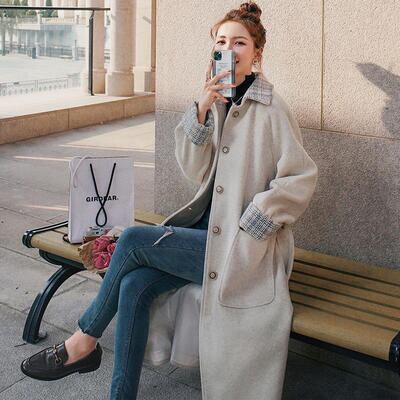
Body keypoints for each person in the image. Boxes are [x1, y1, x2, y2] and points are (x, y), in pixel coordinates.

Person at [20, 2, 318, 399]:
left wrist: (253, 223)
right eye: (221, 42)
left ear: (256, 53)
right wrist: (202, 110)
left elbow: (300, 177)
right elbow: (195, 171)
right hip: (206, 237)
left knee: (132, 240)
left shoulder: (272, 108)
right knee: (134, 284)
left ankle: (83, 341)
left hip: (240, 248)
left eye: (239, 43)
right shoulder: (218, 102)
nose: (228, 49)